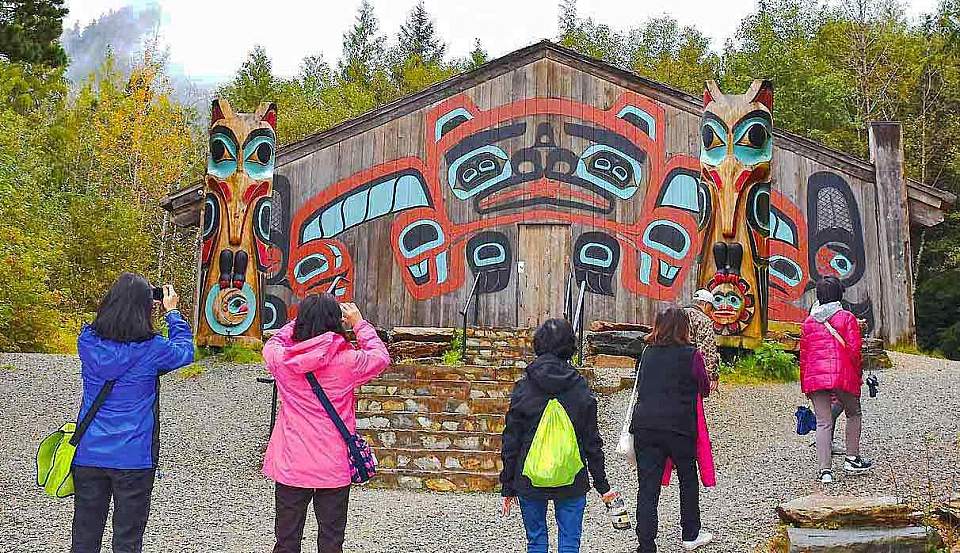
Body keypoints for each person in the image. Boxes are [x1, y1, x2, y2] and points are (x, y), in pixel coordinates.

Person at [71, 273, 194, 553]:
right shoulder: (154, 349)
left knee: (84, 537)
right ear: (147, 308)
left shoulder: (87, 342)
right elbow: (186, 351)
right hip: (134, 456)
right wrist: (172, 312)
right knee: (127, 540)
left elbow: (104, 328)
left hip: (89, 452)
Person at [262, 294, 390, 553]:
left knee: (286, 541)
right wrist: (359, 323)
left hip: (292, 462)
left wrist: (296, 323)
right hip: (333, 466)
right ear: (336, 321)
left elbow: (273, 342)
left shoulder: (282, 360)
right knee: (332, 541)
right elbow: (380, 356)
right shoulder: (348, 361)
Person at [500, 318, 618, 553]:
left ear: (538, 345)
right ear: (570, 347)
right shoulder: (579, 387)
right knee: (570, 542)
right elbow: (592, 441)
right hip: (572, 476)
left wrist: (508, 485)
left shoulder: (524, 387)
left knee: (536, 541)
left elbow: (511, 439)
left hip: (529, 476)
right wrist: (602, 484)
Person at [631, 306, 713, 552]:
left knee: (647, 485)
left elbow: (641, 385)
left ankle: (646, 543)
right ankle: (690, 534)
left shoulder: (646, 353)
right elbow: (705, 387)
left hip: (646, 426)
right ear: (684, 327)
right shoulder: (691, 355)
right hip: (679, 426)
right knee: (687, 479)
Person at [800, 277, 871, 484]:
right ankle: (852, 459)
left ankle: (825, 471)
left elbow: (803, 356)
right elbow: (854, 351)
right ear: (839, 295)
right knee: (853, 412)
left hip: (815, 377)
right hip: (842, 374)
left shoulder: (809, 322)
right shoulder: (846, 318)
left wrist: (805, 382)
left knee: (823, 422)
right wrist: (858, 376)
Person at [686, 290, 720, 388]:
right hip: (690, 369)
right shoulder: (703, 320)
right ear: (706, 304)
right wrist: (712, 376)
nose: (711, 311)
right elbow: (707, 350)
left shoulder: (675, 315)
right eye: (711, 307)